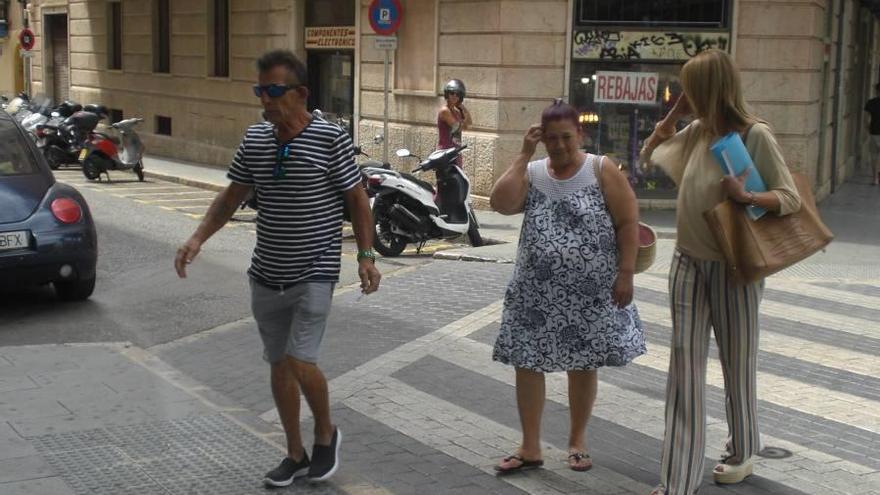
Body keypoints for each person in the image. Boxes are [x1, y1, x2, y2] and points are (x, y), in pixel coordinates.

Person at [174, 49, 381, 488]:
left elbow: (357, 199)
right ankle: (294, 452)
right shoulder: (255, 140)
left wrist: (366, 256)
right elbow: (232, 197)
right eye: (260, 91)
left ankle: (326, 433)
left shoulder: (330, 138)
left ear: (300, 93)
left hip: (315, 270)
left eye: (273, 91)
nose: (265, 100)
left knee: (299, 357)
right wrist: (196, 239)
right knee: (279, 365)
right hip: (267, 272)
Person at [640, 49, 801, 495]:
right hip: (687, 262)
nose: (684, 94)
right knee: (684, 369)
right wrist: (673, 114)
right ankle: (678, 480)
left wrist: (748, 195)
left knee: (737, 363)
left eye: (691, 87)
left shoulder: (755, 135)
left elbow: (791, 199)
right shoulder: (696, 133)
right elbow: (647, 157)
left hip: (735, 266)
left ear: (712, 88)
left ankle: (743, 447)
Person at [489, 100, 646, 474]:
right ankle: (530, 446)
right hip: (534, 293)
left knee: (582, 364)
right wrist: (523, 154)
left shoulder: (600, 169)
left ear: (580, 134)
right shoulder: (533, 171)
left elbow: (628, 222)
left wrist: (626, 273)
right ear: (541, 138)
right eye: (551, 139)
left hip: (589, 294)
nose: (558, 145)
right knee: (527, 362)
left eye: (566, 137)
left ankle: (577, 441)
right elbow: (500, 202)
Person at [437, 79, 472, 164]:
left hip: (455, 151)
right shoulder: (445, 111)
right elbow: (457, 127)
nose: (455, 96)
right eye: (452, 93)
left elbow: (469, 125)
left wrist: (462, 108)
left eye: (458, 94)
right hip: (445, 153)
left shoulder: (456, 112)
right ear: (447, 94)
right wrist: (463, 123)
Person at [863, 83, 880, 185]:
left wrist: (868, 128)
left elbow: (866, 119)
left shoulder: (871, 103)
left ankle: (875, 179)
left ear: (876, 91)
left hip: (874, 132)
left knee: (874, 156)